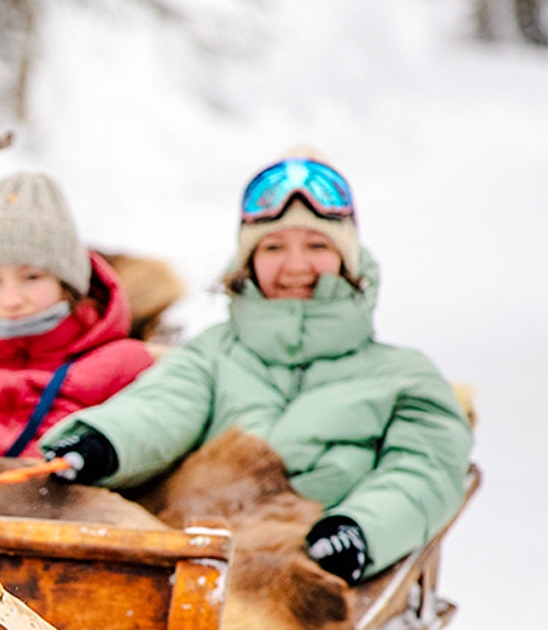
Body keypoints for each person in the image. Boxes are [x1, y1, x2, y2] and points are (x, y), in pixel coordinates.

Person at [39, 154, 474, 585]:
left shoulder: (405, 377)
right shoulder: (212, 354)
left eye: (317, 246)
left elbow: (423, 471)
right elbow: (160, 409)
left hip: (306, 580)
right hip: (195, 565)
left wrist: (359, 529)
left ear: (348, 259)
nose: (296, 266)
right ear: (248, 261)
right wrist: (103, 442)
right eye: (274, 247)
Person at [0, 172, 156, 459]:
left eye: (32, 277)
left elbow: (144, 443)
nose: (12, 300)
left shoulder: (123, 364)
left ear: (67, 284)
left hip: (68, 500)